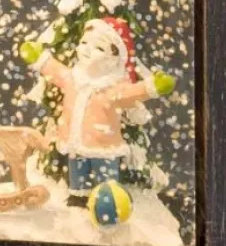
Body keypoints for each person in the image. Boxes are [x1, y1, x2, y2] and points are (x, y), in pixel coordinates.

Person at [19, 17, 176, 205]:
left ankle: (107, 201)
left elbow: (133, 92)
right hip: (74, 143)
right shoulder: (73, 78)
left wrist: (152, 86)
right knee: (78, 173)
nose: (86, 49)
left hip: (103, 146)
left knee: (105, 180)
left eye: (99, 48)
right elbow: (55, 70)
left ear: (114, 58)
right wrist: (39, 58)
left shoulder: (112, 88)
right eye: (84, 42)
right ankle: (79, 196)